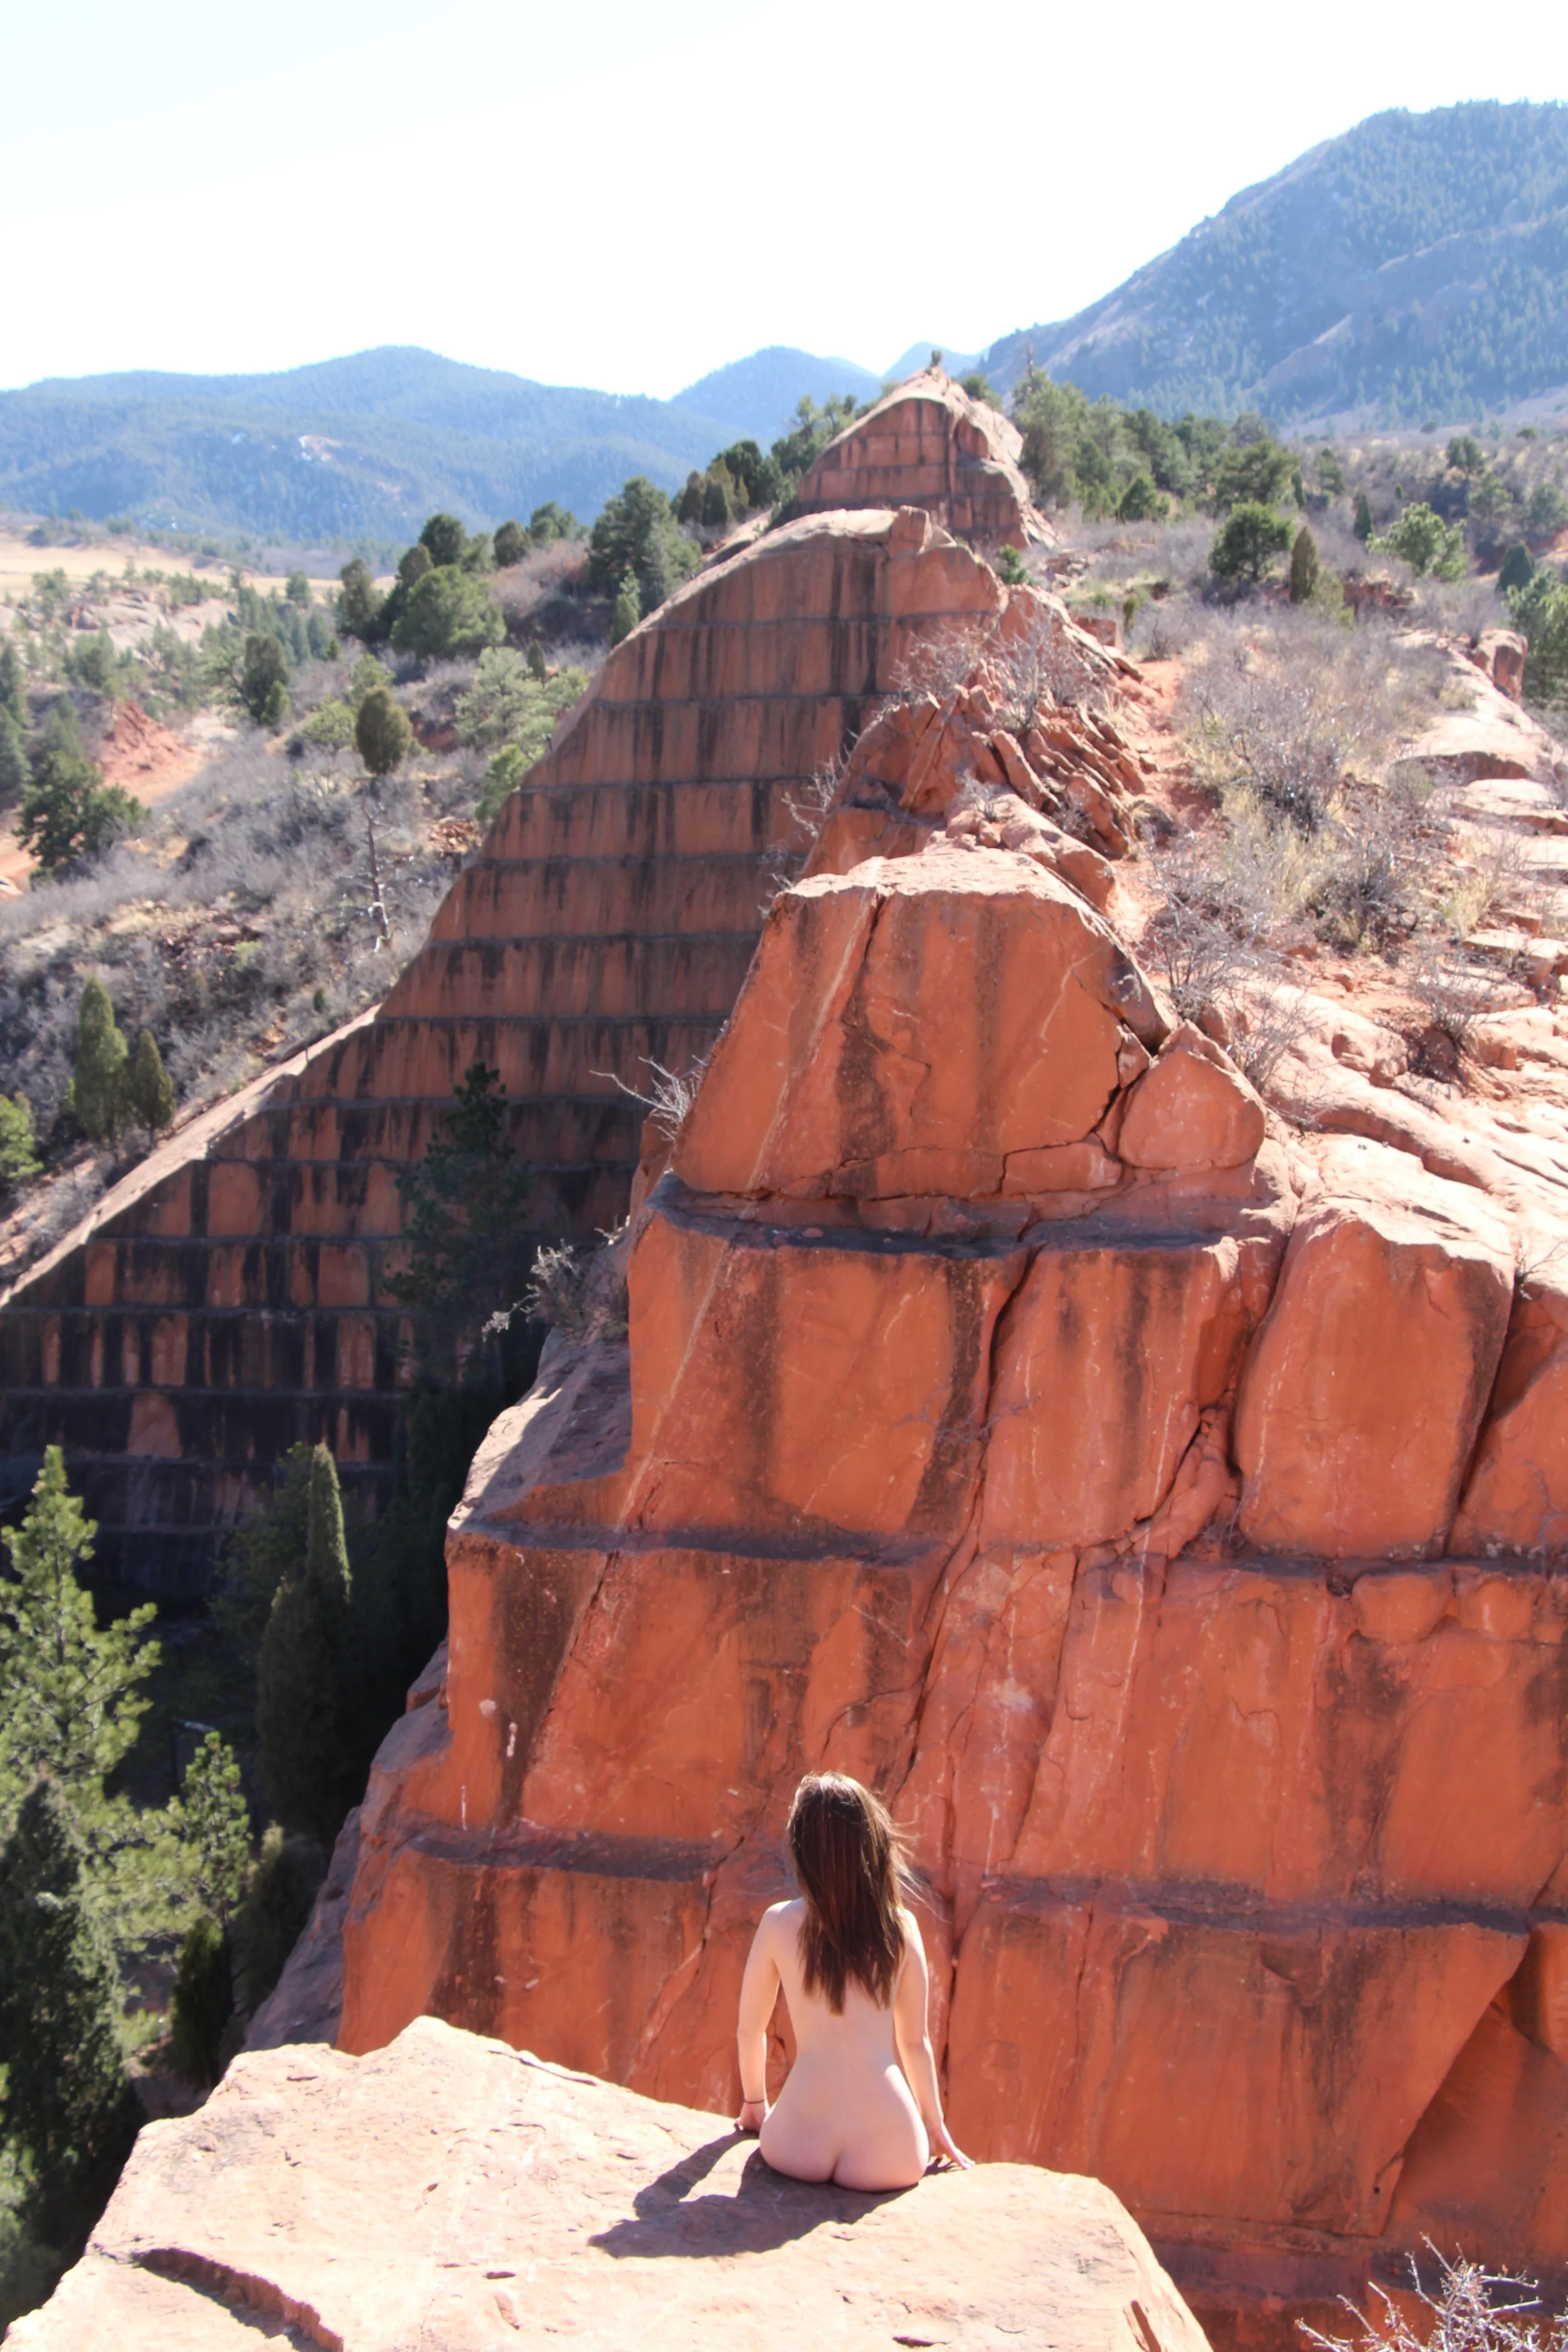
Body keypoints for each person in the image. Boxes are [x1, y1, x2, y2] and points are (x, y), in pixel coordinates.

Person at [734, 1771, 970, 2190]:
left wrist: (755, 2106)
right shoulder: (901, 1929)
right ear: (875, 1846)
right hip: (890, 2152)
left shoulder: (778, 1923)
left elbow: (751, 2030)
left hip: (795, 2143)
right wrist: (935, 2126)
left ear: (803, 1852)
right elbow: (915, 2043)